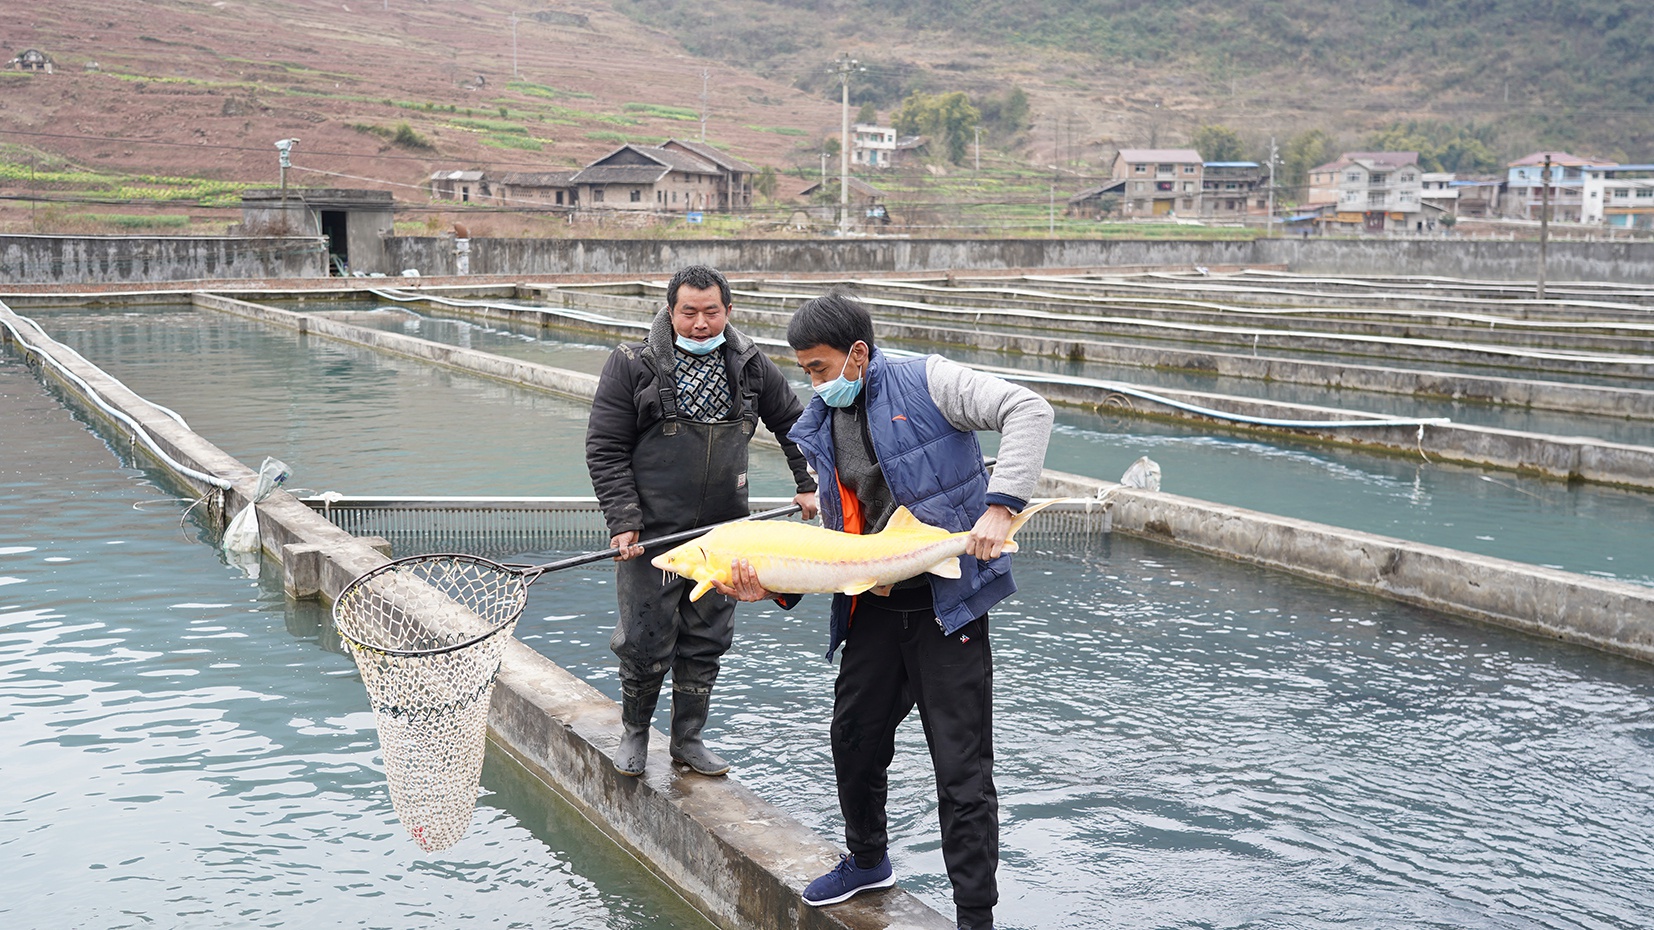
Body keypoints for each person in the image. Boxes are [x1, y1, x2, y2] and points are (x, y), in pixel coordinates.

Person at [717, 291, 1053, 930]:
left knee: (961, 768)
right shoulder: (821, 421)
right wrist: (774, 588)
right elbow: (834, 535)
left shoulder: (929, 381)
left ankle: (974, 917)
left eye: (818, 368)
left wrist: (1001, 504)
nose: (811, 383)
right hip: (870, 604)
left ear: (859, 354)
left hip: (945, 606)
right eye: (805, 370)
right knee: (854, 739)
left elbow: (1028, 408)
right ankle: (869, 859)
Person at [585, 264, 818, 777]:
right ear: (671, 312)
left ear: (728, 311)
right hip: (653, 535)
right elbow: (605, 448)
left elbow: (796, 425)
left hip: (724, 533)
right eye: (688, 312)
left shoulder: (751, 365)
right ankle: (636, 733)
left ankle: (688, 739)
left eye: (711, 312)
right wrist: (623, 519)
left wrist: (806, 483)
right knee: (644, 641)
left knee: (708, 637)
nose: (699, 324)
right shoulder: (632, 364)